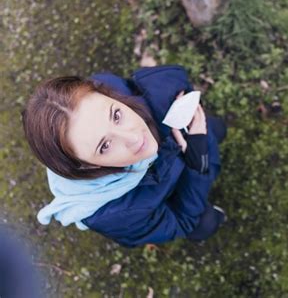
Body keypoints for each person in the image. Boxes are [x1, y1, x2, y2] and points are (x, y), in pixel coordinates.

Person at [22, 65, 227, 247]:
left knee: (216, 129)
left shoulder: (102, 93)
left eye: (116, 115)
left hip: (176, 150)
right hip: (178, 187)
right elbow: (180, 221)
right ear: (86, 166)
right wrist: (198, 159)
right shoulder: (115, 214)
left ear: (107, 94)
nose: (134, 137)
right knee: (206, 222)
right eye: (105, 146)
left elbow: (152, 85)